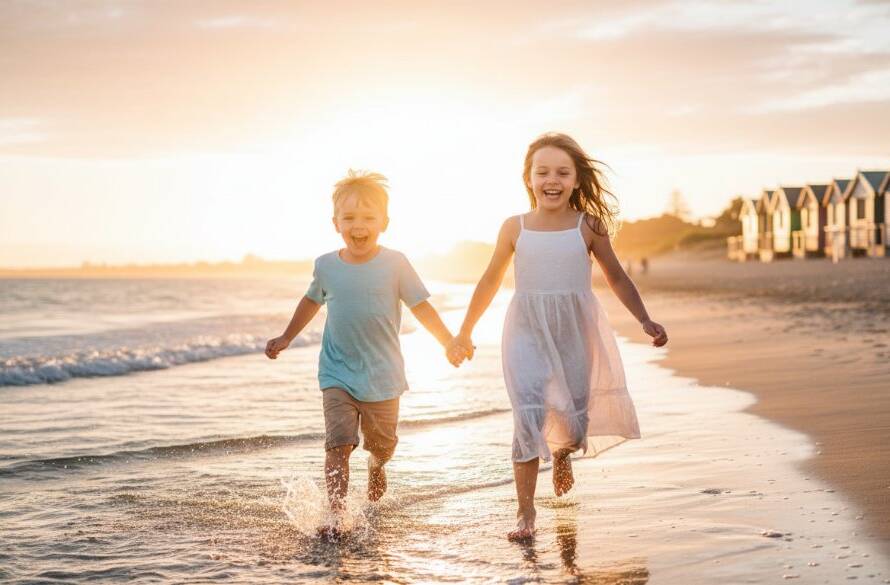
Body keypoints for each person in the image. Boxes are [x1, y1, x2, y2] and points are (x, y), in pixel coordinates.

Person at [449, 133, 668, 540]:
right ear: (528, 178)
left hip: (574, 328)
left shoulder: (588, 226)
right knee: (527, 415)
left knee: (574, 418)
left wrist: (644, 319)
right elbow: (491, 278)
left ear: (576, 180)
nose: (552, 179)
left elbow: (616, 277)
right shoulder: (513, 228)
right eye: (543, 171)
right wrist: (465, 330)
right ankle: (525, 512)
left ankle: (564, 453)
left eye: (562, 172)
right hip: (525, 328)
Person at [266, 169, 460, 534]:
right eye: (349, 217)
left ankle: (377, 466)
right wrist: (286, 337)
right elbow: (310, 302)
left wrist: (448, 341)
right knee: (337, 444)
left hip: (384, 375)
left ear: (384, 222)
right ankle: (337, 514)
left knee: (383, 445)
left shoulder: (396, 263)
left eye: (368, 217)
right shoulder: (326, 265)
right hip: (337, 372)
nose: (358, 225)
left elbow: (421, 306)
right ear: (335, 222)